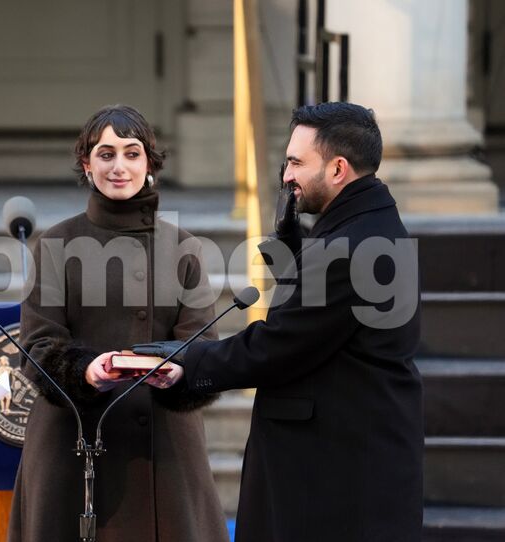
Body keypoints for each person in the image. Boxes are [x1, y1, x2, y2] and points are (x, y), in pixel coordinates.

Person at [135, 102, 424, 542]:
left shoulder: (348, 248)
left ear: (338, 169)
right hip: (342, 467)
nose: (286, 175)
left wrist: (189, 362)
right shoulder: (370, 226)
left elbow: (280, 344)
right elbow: (319, 322)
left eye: (295, 162)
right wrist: (290, 246)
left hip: (332, 480)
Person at [8, 105, 229, 542]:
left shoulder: (184, 247)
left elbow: (203, 346)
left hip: (162, 450)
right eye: (106, 155)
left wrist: (179, 371)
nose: (119, 167)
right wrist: (86, 372)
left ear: (150, 163)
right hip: (72, 444)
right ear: (86, 165)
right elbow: (37, 347)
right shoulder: (55, 244)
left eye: (131, 153)